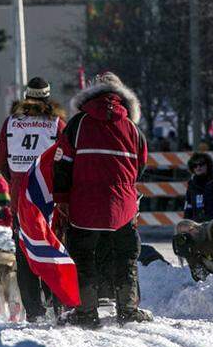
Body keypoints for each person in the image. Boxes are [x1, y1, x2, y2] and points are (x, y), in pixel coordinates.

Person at [54, 72, 150, 327]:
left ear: (92, 93)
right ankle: (128, 310)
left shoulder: (78, 124)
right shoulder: (133, 129)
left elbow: (62, 165)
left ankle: (86, 312)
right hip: (123, 207)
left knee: (83, 256)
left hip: (84, 207)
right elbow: (140, 167)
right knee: (126, 257)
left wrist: (62, 199)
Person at [0, 76, 66, 323]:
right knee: (51, 250)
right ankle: (57, 306)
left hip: (21, 199)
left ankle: (35, 312)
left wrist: (15, 180)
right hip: (47, 199)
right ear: (48, 97)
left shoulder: (11, 123)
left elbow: (1, 161)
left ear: (27, 97)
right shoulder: (56, 124)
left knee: (24, 255)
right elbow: (67, 159)